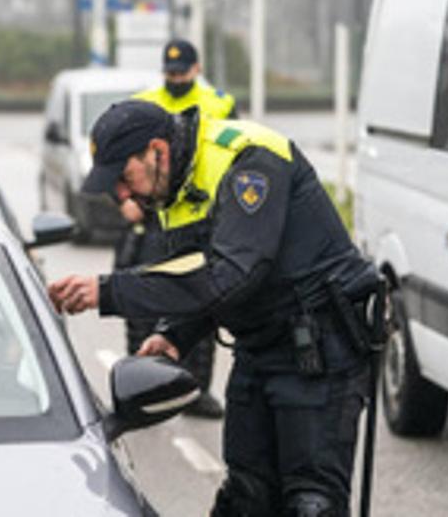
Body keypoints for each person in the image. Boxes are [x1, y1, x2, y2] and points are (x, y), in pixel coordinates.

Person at [49, 101, 381, 516]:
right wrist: (175, 334)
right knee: (247, 496)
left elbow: (233, 275)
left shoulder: (250, 161)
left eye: (123, 176)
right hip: (259, 347)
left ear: (157, 150)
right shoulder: (171, 187)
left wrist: (109, 291)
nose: (122, 193)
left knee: (311, 503)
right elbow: (198, 271)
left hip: (319, 352)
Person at [116, 38, 234, 419]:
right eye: (169, 72)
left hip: (200, 217)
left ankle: (196, 389)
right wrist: (125, 201)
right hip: (153, 220)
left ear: (196, 69)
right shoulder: (145, 101)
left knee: (198, 297)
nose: (175, 78)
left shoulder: (221, 103)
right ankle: (142, 387)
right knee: (143, 299)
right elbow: (113, 158)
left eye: (181, 72)